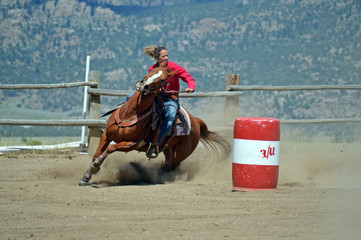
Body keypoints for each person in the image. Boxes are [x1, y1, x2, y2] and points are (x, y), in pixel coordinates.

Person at [144, 45, 196, 158]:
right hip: (155, 97)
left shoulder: (173, 67)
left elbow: (187, 76)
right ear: (157, 58)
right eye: (164, 56)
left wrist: (191, 87)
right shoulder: (152, 69)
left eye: (167, 55)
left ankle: (155, 144)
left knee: (169, 119)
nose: (166, 58)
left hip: (170, 99)